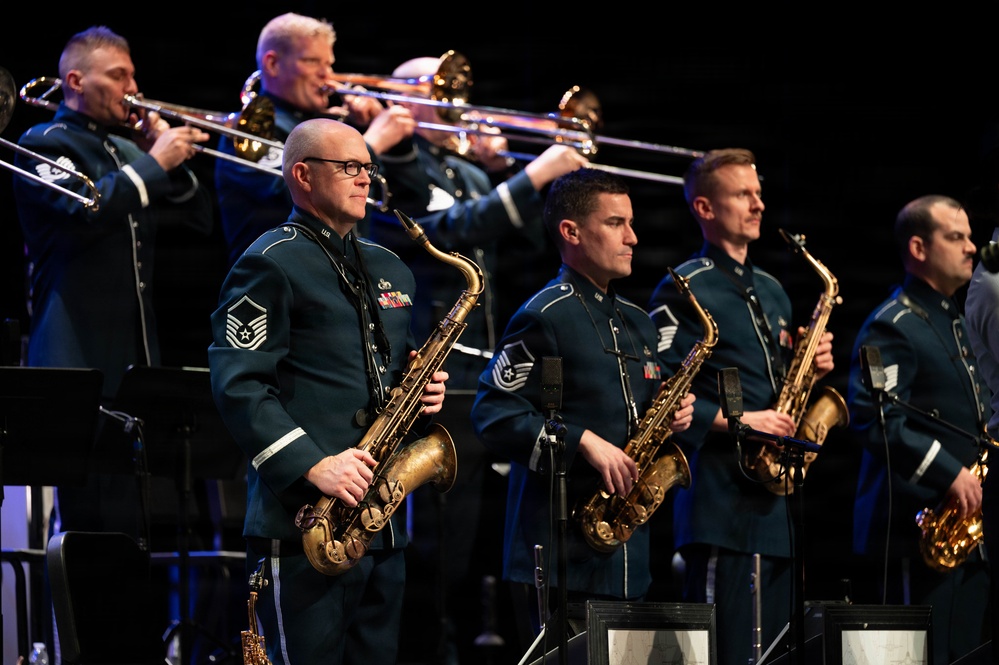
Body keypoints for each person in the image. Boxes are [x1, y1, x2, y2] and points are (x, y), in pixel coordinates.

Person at [207, 117, 450, 665]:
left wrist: (422, 397)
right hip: (303, 525)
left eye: (368, 167)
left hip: (380, 530)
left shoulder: (391, 267)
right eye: (349, 167)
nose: (365, 179)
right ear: (303, 174)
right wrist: (313, 465)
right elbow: (238, 384)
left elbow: (388, 377)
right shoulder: (268, 260)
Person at [470, 168, 696, 652]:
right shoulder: (542, 315)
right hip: (561, 561)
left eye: (632, 223)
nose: (633, 237)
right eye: (616, 223)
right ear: (571, 232)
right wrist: (583, 441)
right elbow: (493, 411)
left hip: (629, 557)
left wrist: (672, 417)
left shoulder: (638, 322)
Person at [12, 25, 214, 539]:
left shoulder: (125, 151)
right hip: (74, 350)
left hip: (131, 353)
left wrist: (155, 153)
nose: (133, 88)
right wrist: (154, 161)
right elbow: (85, 210)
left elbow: (197, 220)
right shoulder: (43, 141)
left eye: (133, 74)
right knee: (87, 519)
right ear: (76, 80)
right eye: (118, 75)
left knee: (131, 519)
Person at [646, 148, 835, 665]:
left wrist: (811, 369)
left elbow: (778, 385)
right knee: (724, 650)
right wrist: (741, 421)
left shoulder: (772, 290)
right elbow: (660, 387)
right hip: (719, 499)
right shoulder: (684, 286)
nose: (758, 204)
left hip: (772, 501)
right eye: (742, 194)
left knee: (771, 651)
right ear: (705, 208)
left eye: (758, 192)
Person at [367, 55, 589, 390]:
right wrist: (533, 176)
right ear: (402, 100)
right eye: (439, 87)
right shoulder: (392, 165)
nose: (455, 99)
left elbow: (529, 243)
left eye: (456, 87)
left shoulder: (470, 173)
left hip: (480, 340)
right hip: (423, 341)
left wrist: (504, 171)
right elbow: (443, 231)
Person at [852, 194, 990, 664]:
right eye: (956, 237)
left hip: (966, 534)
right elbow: (874, 420)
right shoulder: (894, 325)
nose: (972, 247)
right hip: (917, 534)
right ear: (918, 247)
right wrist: (950, 472)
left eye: (970, 236)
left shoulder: (958, 322)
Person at [215, 12, 415, 269]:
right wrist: (371, 144)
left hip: (347, 277)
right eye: (312, 62)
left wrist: (397, 145)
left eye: (329, 64)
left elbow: (411, 202)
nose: (328, 76)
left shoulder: (336, 127)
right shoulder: (251, 130)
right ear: (273, 64)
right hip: (280, 282)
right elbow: (295, 194)